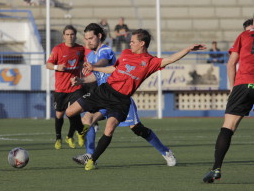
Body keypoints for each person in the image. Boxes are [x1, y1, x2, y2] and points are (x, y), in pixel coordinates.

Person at [65, 29, 206, 170]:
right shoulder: (126, 53)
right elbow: (114, 69)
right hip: (104, 91)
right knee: (73, 113)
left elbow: (170, 59)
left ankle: (165, 152)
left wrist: (188, 49)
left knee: (135, 129)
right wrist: (92, 70)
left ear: (142, 43)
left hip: (121, 100)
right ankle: (86, 144)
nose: (130, 43)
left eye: (133, 41)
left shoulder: (150, 61)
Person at [202, 18, 254, 183]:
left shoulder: (243, 36)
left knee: (228, 127)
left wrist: (232, 87)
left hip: (244, 83)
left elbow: (231, 64)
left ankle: (216, 169)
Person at [46, 25, 86, 150]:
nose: (70, 37)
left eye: (72, 34)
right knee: (59, 115)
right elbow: (48, 64)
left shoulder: (80, 49)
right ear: (64, 36)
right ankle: (58, 138)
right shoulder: (58, 49)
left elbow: (82, 63)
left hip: (75, 87)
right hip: (61, 88)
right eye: (67, 34)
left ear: (75, 35)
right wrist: (57, 67)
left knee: (74, 112)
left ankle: (73, 135)